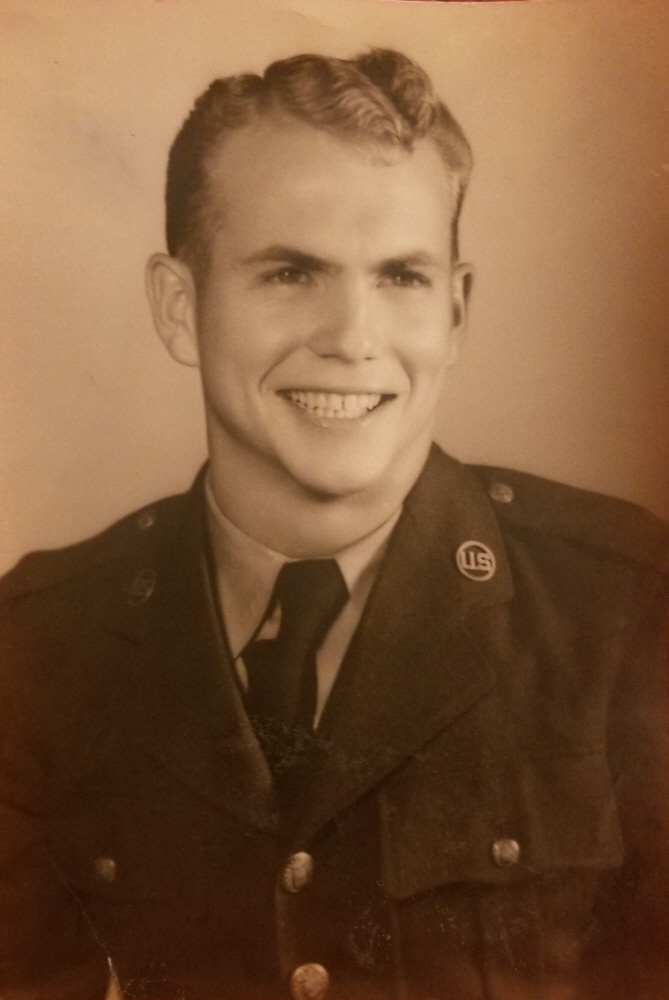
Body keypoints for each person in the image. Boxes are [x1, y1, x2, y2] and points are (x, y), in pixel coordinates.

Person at [1, 48, 668, 1000]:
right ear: (180, 307)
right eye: (290, 273)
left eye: (401, 277)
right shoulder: (36, 647)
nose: (352, 338)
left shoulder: (625, 614)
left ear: (455, 311)